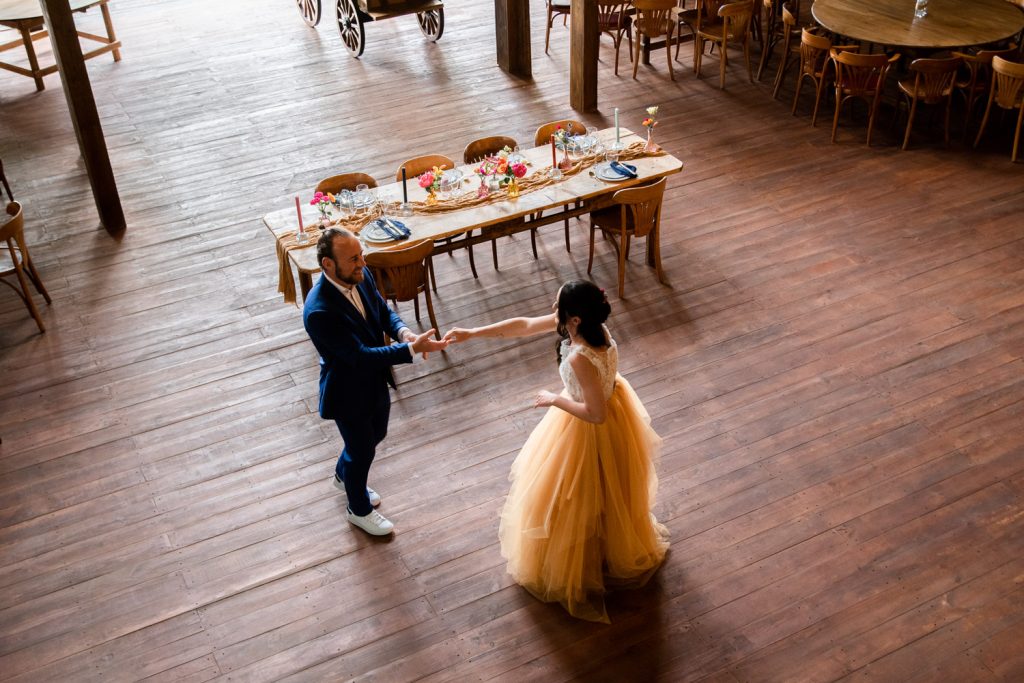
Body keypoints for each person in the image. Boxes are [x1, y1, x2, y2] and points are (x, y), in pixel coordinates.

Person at [443, 280, 668, 623]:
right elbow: (524, 325)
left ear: (573, 319)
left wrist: (555, 398)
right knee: (608, 488)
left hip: (587, 424)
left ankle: (581, 561)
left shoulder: (579, 357)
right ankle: (606, 548)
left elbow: (595, 414)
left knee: (574, 494)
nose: (551, 311)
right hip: (614, 410)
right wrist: (472, 333)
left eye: (556, 305)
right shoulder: (595, 328)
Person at [304, 227, 448, 536]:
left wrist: (404, 332)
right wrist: (411, 349)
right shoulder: (319, 311)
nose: (362, 264)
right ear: (328, 264)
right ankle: (358, 509)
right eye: (353, 259)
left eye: (361, 256)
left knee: (377, 433)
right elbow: (359, 356)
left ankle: (344, 474)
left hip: (374, 380)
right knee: (362, 450)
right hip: (347, 390)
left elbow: (382, 311)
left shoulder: (360, 275)